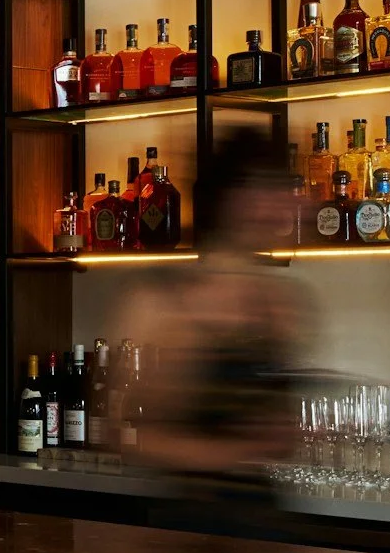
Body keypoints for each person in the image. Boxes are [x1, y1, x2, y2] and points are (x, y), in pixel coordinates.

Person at [126, 129, 315, 501]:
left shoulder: (280, 300)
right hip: (187, 528)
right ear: (233, 199)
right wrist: (241, 451)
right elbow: (138, 439)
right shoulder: (164, 301)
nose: (285, 204)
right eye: (270, 191)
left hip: (266, 520)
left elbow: (277, 429)